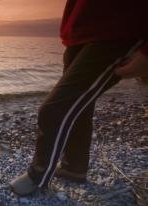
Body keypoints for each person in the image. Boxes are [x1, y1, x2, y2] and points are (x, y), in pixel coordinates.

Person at [10, 0, 148, 196]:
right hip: (79, 36)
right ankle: (73, 167)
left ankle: (37, 176)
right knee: (80, 108)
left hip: (119, 34)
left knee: (53, 110)